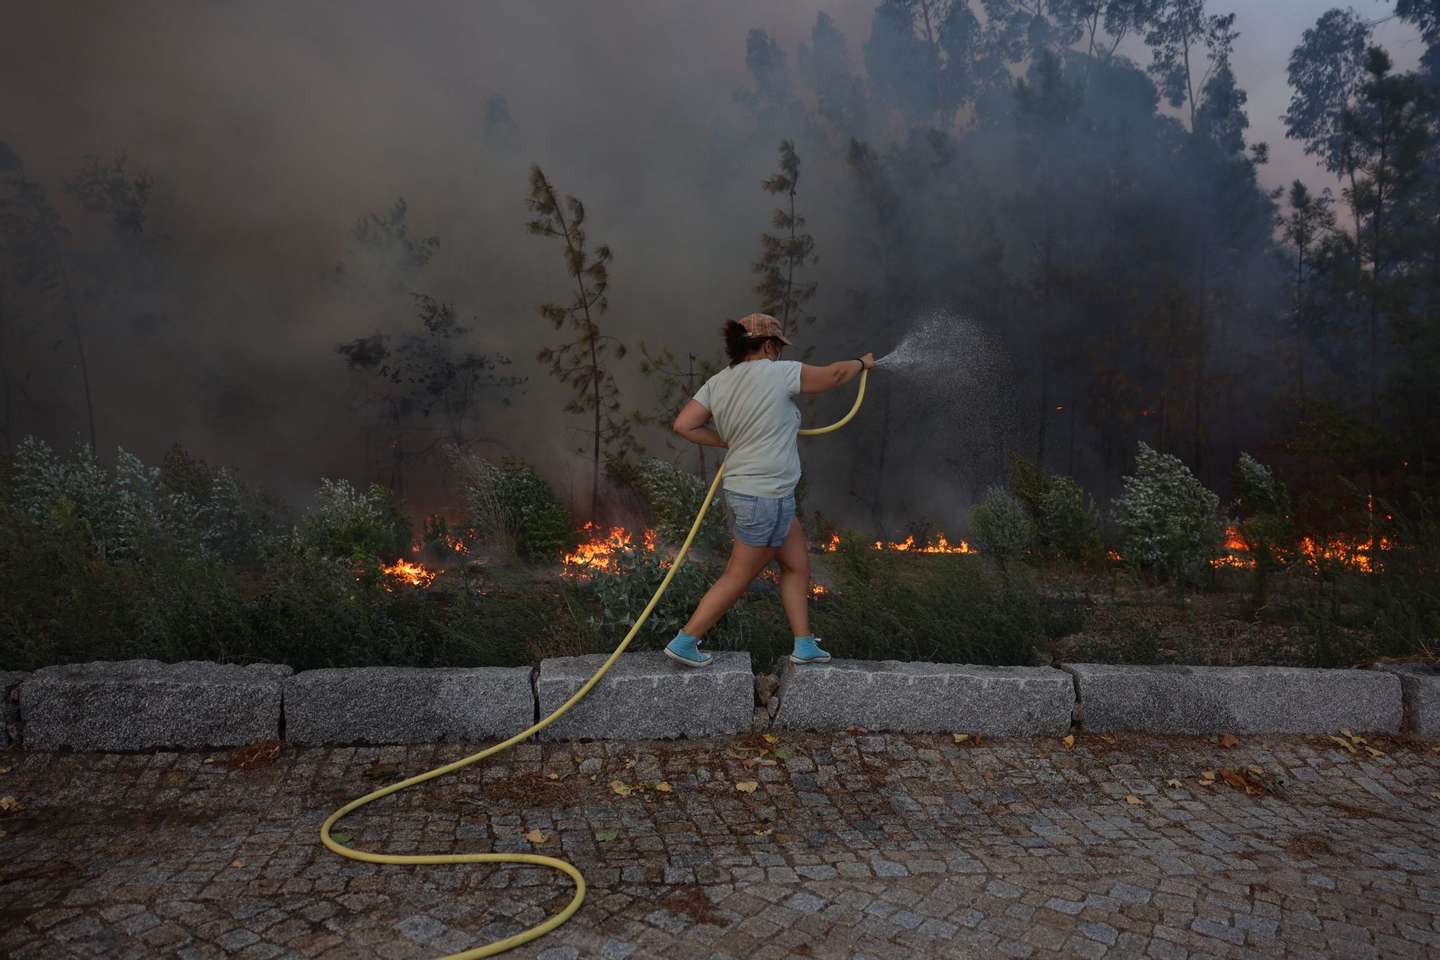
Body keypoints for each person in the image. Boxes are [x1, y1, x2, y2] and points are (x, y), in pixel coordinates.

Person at [664, 312, 876, 668]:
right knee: (739, 575)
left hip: (768, 496)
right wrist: (861, 362)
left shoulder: (719, 382)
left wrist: (726, 441)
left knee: (796, 565)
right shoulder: (776, 373)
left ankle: (804, 644)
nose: (779, 354)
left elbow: (684, 424)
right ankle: (686, 641)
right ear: (767, 346)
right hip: (764, 497)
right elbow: (835, 375)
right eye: (777, 348)